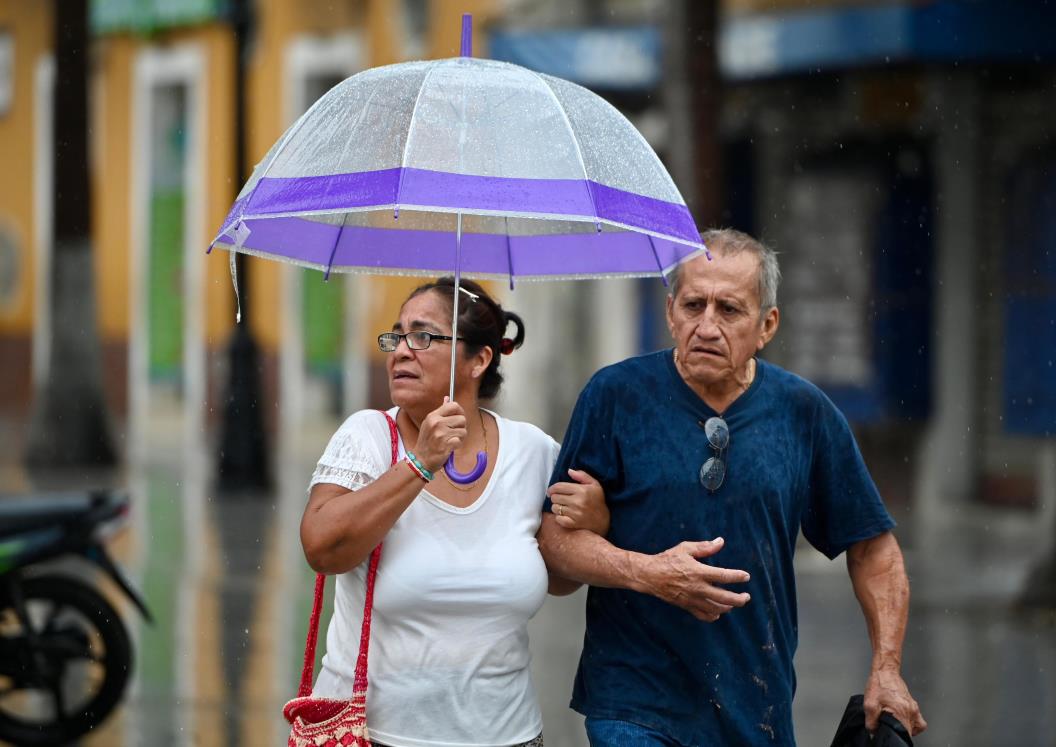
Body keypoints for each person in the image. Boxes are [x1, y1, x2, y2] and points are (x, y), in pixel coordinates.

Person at [539, 229, 928, 746]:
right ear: (671, 310)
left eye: (729, 310)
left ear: (767, 325)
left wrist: (887, 668)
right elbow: (555, 545)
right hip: (633, 700)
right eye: (694, 305)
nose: (706, 326)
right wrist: (647, 573)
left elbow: (874, 550)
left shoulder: (804, 414)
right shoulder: (615, 396)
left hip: (755, 704)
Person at [299, 277, 606, 747]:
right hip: (376, 735)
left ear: (479, 360)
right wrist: (418, 465)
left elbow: (561, 581)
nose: (401, 351)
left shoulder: (534, 453)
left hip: (510, 736)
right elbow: (322, 548)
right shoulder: (367, 438)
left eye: (423, 336)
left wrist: (594, 520)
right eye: (396, 336)